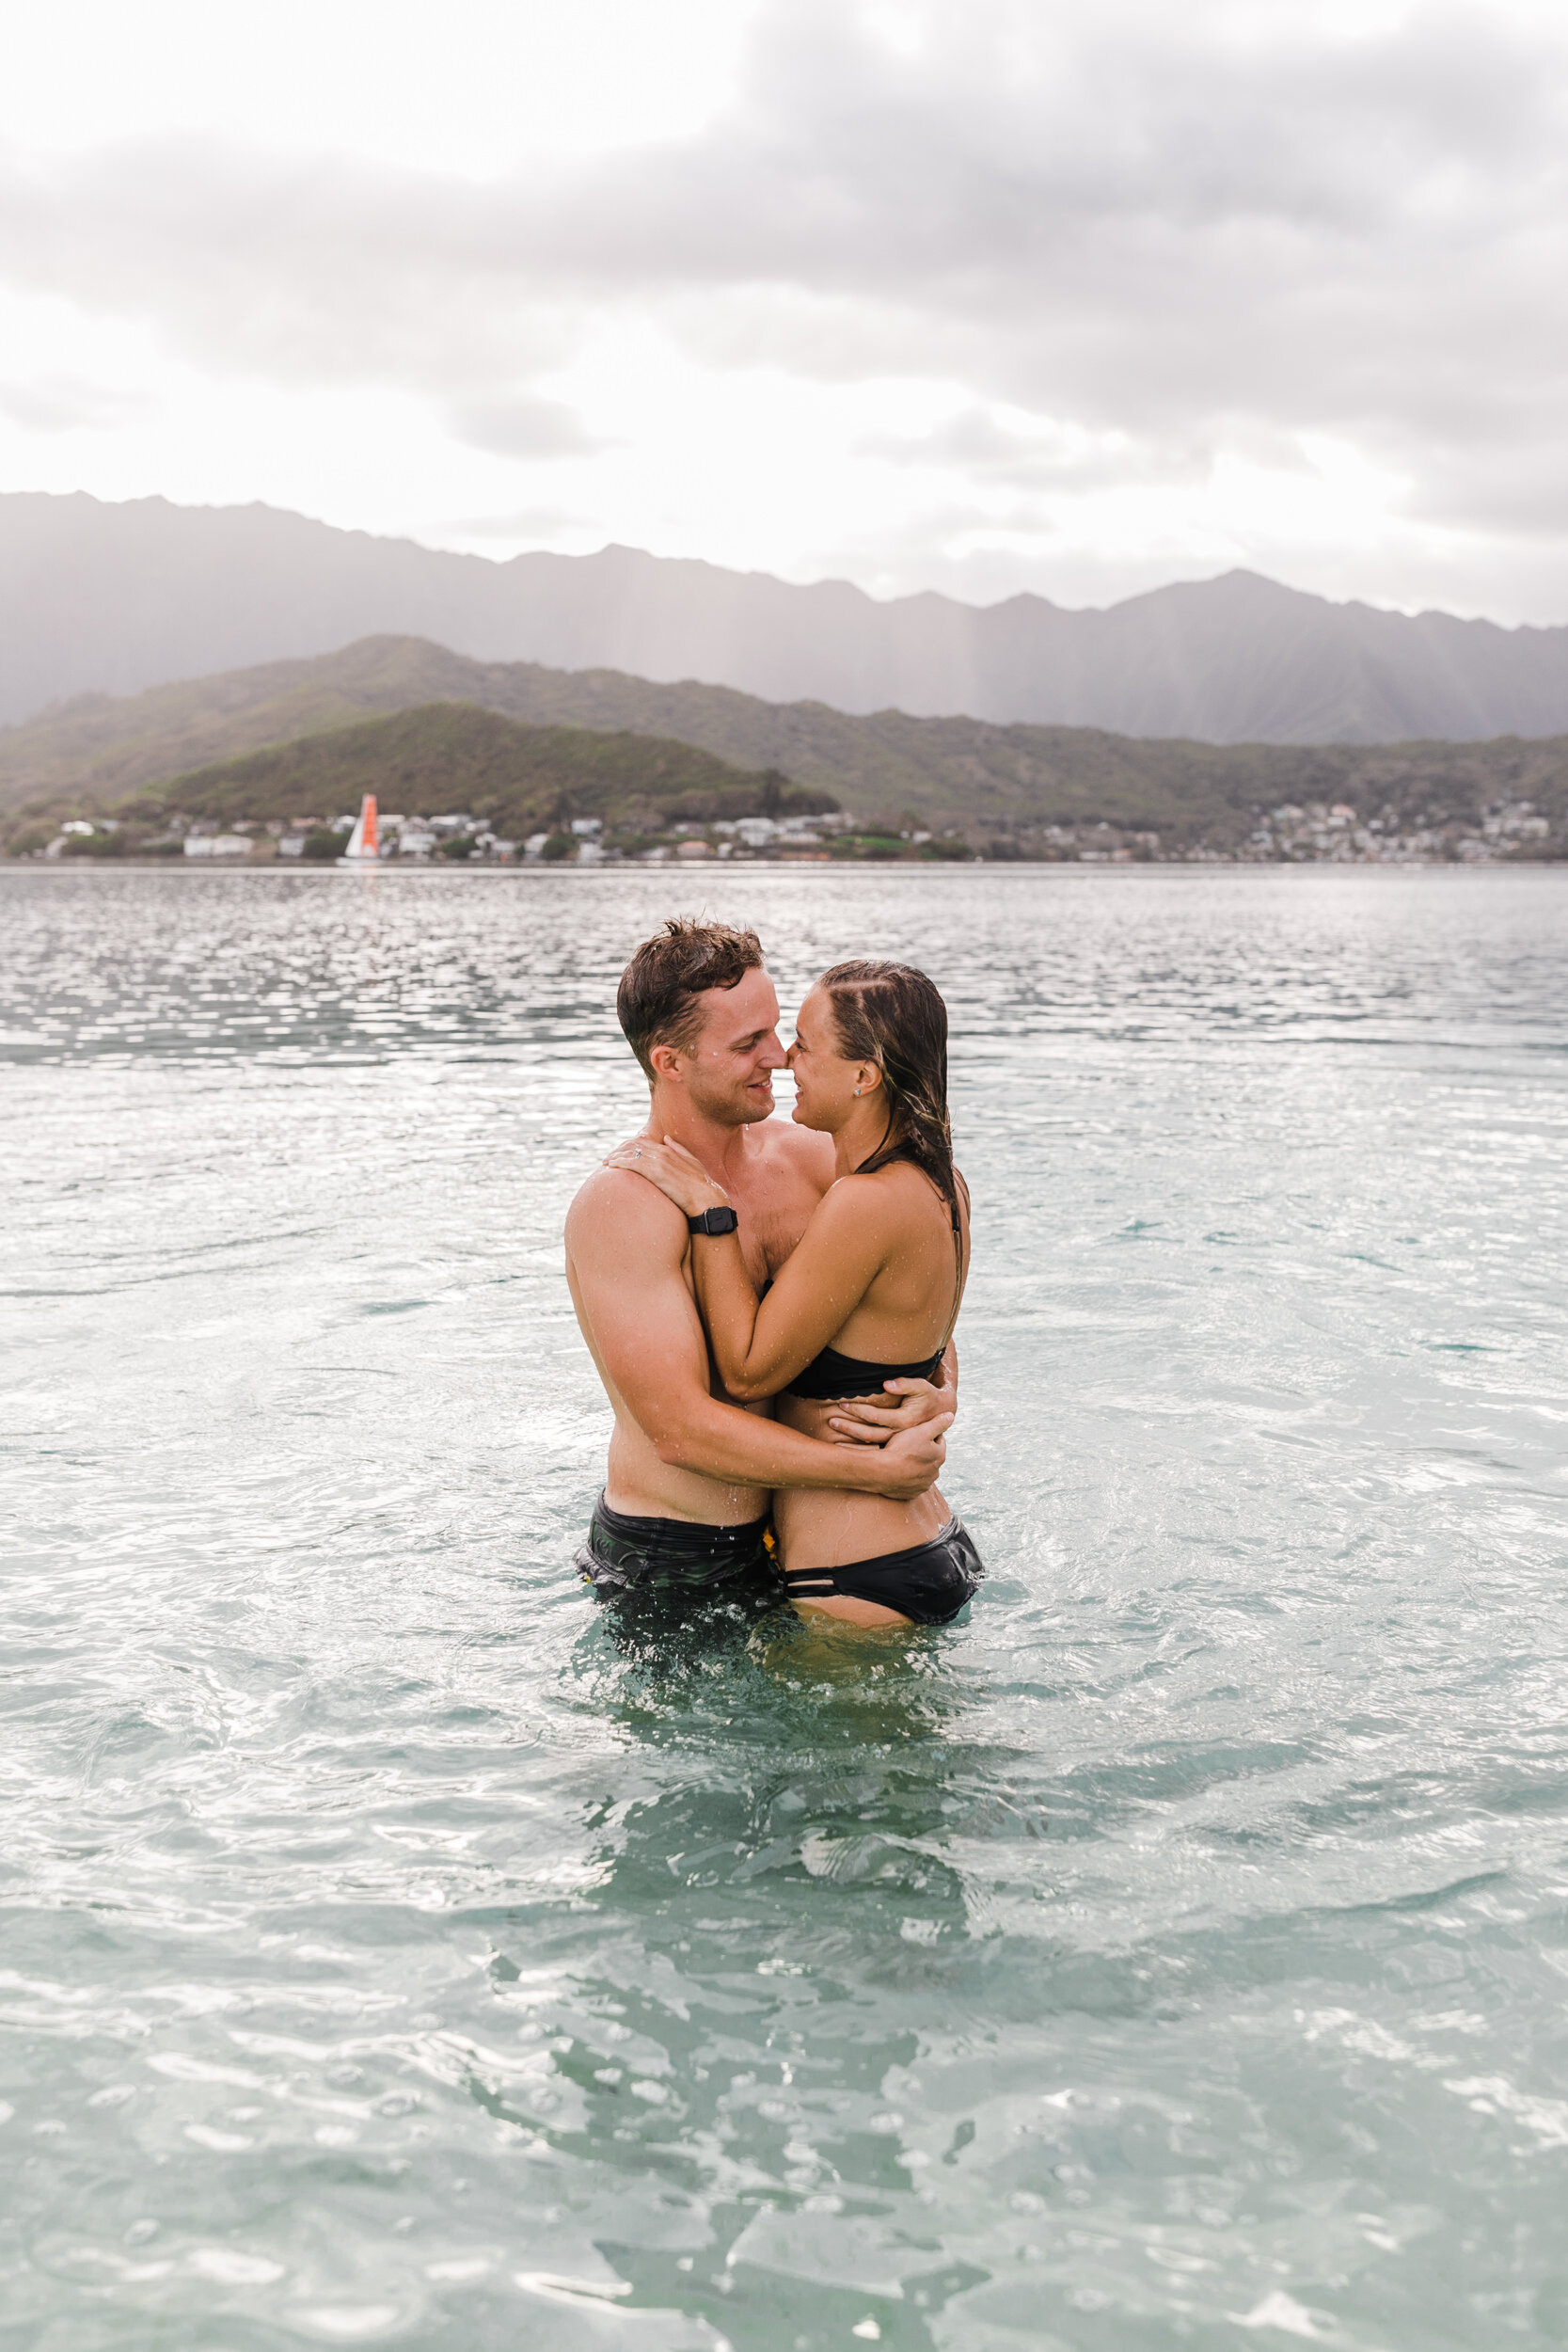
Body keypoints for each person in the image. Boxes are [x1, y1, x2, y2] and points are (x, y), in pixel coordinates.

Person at [565, 920, 953, 1608]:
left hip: (811, 1541)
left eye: (777, 1032)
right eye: (747, 1044)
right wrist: (869, 1475)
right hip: (679, 1557)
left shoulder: (813, 1161)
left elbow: (910, 1298)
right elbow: (679, 1431)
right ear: (670, 1063)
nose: (777, 1057)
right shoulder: (624, 1206)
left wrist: (936, 1394)